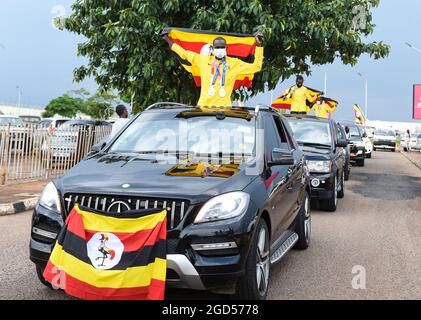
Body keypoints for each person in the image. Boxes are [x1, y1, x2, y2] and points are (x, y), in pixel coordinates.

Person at [163, 33, 264, 107]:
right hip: (203, 108)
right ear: (213, 49)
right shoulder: (203, 60)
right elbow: (184, 53)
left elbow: (256, 67)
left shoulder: (234, 63)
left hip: (225, 110)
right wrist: (168, 40)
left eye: (222, 47)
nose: (220, 49)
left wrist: (258, 46)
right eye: (217, 47)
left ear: (226, 48)